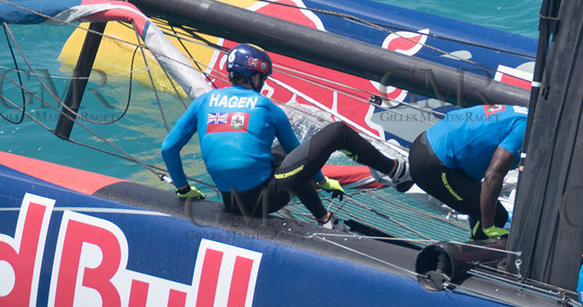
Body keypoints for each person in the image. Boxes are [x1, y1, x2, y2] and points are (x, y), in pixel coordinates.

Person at [163, 43, 409, 227]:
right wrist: (324, 182)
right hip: (265, 201)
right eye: (263, 77)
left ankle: (324, 219)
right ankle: (396, 170)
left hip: (231, 201)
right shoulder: (266, 107)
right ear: (255, 76)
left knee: (279, 155)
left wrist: (184, 189)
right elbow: (297, 151)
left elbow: (169, 148)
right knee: (338, 132)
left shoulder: (204, 101)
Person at [400, 102, 526, 240]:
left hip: (428, 143)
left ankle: (478, 240)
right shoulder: (523, 130)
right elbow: (493, 176)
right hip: (434, 164)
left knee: (483, 206)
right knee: (494, 216)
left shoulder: (527, 115)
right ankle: (480, 243)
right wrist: (488, 227)